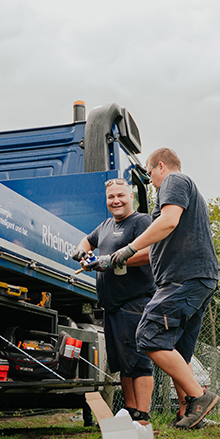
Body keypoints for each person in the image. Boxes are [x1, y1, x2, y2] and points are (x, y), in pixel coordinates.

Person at [110, 147, 220, 429]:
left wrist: (130, 245)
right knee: (179, 351)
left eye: (149, 173)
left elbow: (168, 221)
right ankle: (188, 415)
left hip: (182, 279)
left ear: (161, 166)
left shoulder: (174, 181)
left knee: (148, 337)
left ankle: (199, 398)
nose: (150, 181)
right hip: (197, 278)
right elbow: (155, 246)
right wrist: (115, 259)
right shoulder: (184, 193)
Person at [72, 177, 156, 423]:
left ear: (131, 197)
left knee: (138, 361)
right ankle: (131, 413)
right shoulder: (106, 225)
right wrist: (82, 251)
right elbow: (88, 240)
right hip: (112, 305)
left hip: (135, 302)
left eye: (121, 195)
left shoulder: (141, 221)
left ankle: (142, 416)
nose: (116, 200)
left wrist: (116, 260)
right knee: (124, 364)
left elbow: (152, 253)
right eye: (111, 197)